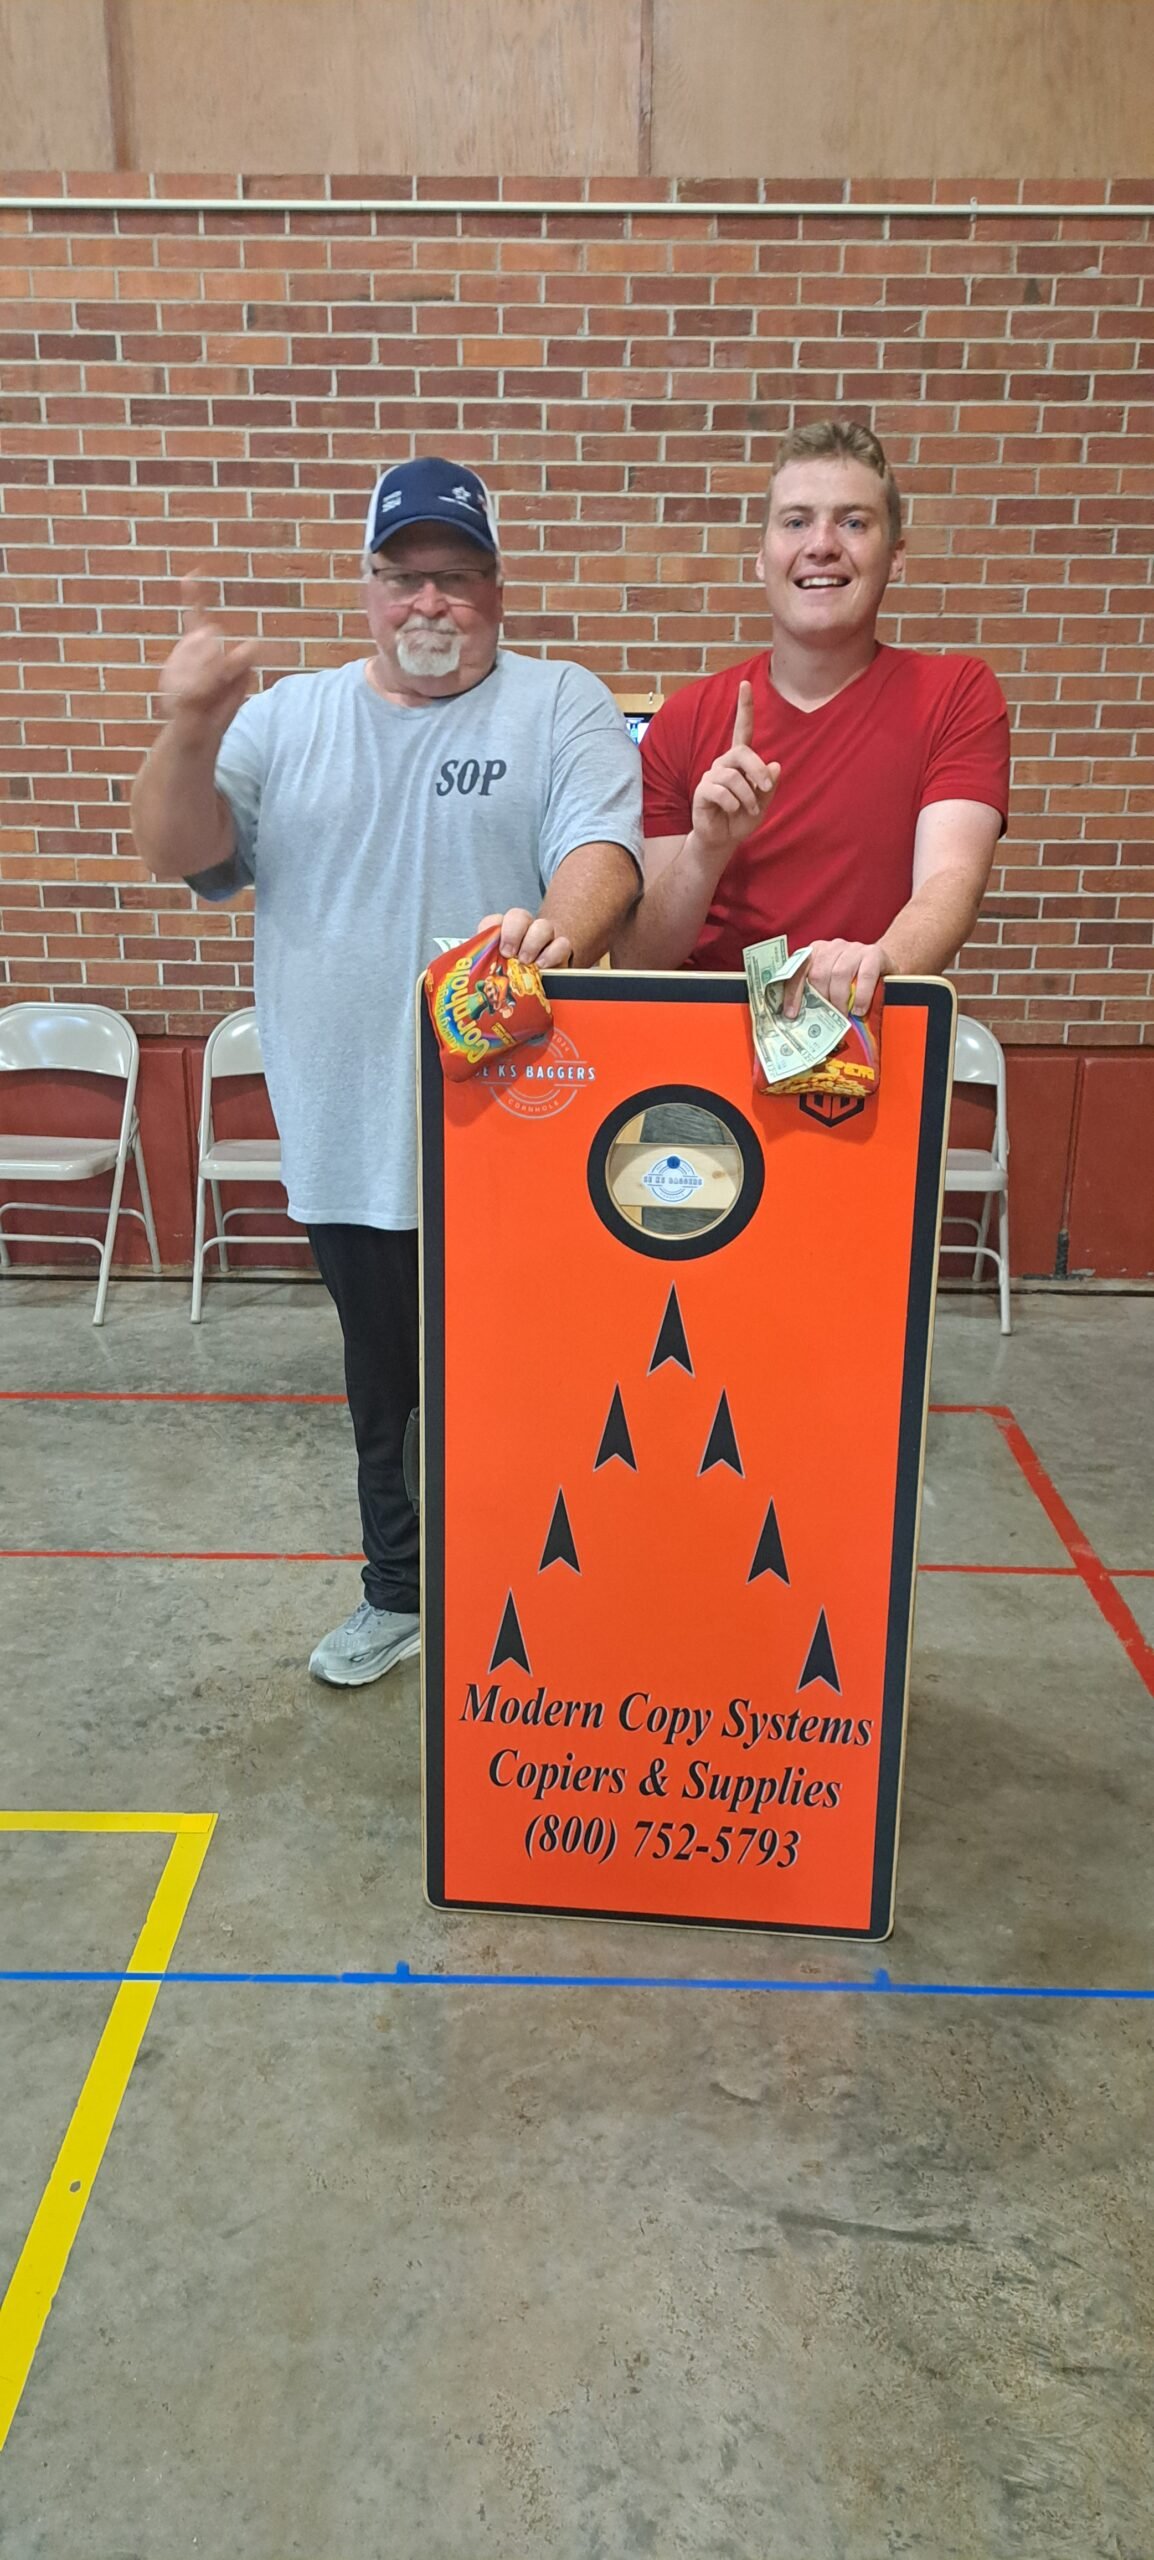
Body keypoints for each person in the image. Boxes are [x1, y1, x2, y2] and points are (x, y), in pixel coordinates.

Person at [132, 457, 642, 1687]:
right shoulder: (284, 720)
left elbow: (604, 851)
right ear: (366, 588)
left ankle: (545, 1584)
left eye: (455, 576)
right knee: (387, 1390)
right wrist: (188, 725)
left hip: (518, 1131)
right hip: (348, 1131)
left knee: (539, 1379)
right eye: (404, 576)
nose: (429, 602)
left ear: (496, 588)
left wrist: (558, 929)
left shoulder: (557, 700)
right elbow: (177, 851)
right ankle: (399, 1591)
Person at [613, 419, 1010, 1012]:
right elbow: (639, 960)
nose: (821, 544)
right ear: (761, 557)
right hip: (705, 1051)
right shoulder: (686, 719)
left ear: (896, 557)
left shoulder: (956, 694)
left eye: (853, 522)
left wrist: (880, 963)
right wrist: (707, 849)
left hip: (867, 1028)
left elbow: (949, 884)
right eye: (796, 521)